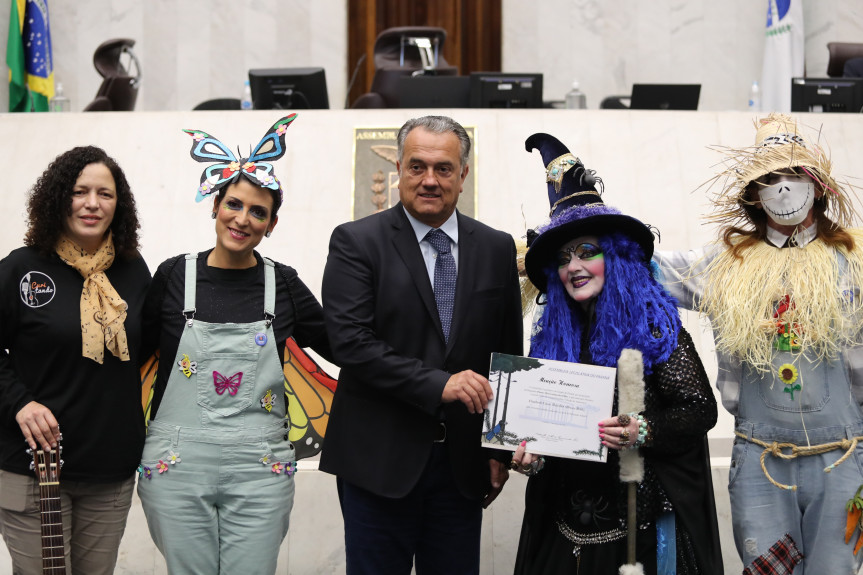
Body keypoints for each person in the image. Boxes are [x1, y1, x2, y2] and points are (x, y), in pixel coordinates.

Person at [654, 113, 863, 574]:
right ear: (754, 194)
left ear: (817, 184)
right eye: (769, 179)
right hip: (761, 461)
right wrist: (586, 237)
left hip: (845, 458)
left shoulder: (854, 259)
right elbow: (653, 267)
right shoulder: (726, 263)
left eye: (794, 175)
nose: (783, 188)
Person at [319, 115, 523, 574]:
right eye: (417, 167)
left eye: (443, 168)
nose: (429, 180)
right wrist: (440, 384)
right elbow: (351, 343)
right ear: (398, 169)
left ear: (463, 174)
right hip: (377, 465)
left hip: (462, 469)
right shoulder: (356, 242)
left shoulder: (494, 248)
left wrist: (499, 450)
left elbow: (507, 354)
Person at [511, 133, 721, 575]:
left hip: (640, 536)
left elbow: (699, 409)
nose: (574, 267)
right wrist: (531, 454)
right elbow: (552, 429)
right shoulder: (551, 339)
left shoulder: (655, 326)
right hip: (565, 532)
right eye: (564, 258)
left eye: (587, 251)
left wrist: (640, 429)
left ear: (618, 256)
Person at [137, 114, 331, 575]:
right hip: (175, 464)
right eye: (234, 204)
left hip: (260, 466)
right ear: (214, 206)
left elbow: (347, 346)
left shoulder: (282, 283)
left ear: (272, 223)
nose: (242, 219)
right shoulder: (172, 276)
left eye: (258, 212)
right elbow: (131, 356)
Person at [0, 146, 150, 575]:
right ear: (57, 197)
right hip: (34, 468)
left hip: (110, 470)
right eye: (80, 191)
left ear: (118, 205)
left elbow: (160, 346)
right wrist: (19, 402)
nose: (91, 203)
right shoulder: (22, 269)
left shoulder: (133, 271)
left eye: (105, 193)